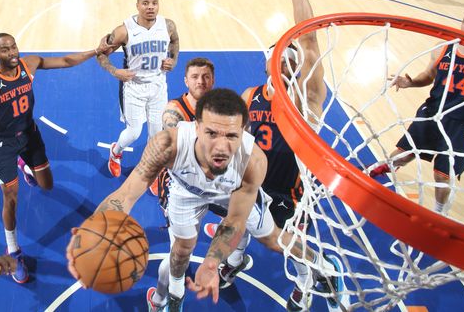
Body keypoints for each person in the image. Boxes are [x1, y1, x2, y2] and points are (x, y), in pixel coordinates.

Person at [66, 89, 341, 311]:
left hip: (230, 193)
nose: (221, 146)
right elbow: (125, 195)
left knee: (273, 239)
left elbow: (234, 220)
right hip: (187, 192)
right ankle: (174, 297)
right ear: (196, 127)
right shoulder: (168, 145)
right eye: (211, 133)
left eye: (232, 135)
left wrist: (211, 263)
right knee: (182, 249)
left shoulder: (254, 160)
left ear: (244, 131)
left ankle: (324, 263)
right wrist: (94, 230)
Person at [216, 0, 330, 310]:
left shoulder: (305, 96)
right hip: (252, 183)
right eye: (279, 56)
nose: (286, 62)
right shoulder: (250, 95)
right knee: (235, 232)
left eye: (292, 57)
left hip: (291, 191)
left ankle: (313, 279)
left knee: (293, 248)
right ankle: (234, 264)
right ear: (268, 62)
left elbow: (309, 40)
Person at [0, 33, 107, 284]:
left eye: (13, 47)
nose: (12, 53)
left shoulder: (29, 64)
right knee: (11, 199)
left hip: (30, 134)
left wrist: (95, 51)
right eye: (5, 50)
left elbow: (66, 61)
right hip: (4, 144)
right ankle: (13, 250)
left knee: (46, 184)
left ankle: (24, 165)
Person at [370, 8, 464, 212]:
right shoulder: (443, 48)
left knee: (443, 174)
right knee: (404, 153)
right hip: (432, 112)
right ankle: (379, 171)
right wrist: (411, 83)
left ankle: (439, 210)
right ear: (462, 23)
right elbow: (429, 75)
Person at [97, 0, 180, 177]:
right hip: (133, 88)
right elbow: (100, 54)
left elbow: (175, 41)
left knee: (156, 132)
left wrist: (173, 60)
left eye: (154, 3)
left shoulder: (168, 25)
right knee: (134, 132)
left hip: (158, 86)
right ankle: (115, 152)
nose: (150, 7)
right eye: (145, 3)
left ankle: (151, 169)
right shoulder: (124, 31)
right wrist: (115, 71)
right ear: (137, 6)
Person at [150, 57, 216, 200]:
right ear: (186, 81)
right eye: (195, 77)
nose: (200, 81)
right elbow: (181, 153)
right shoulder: (174, 112)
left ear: (212, 81)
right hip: (176, 165)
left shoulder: (219, 108)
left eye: (206, 77)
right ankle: (157, 173)